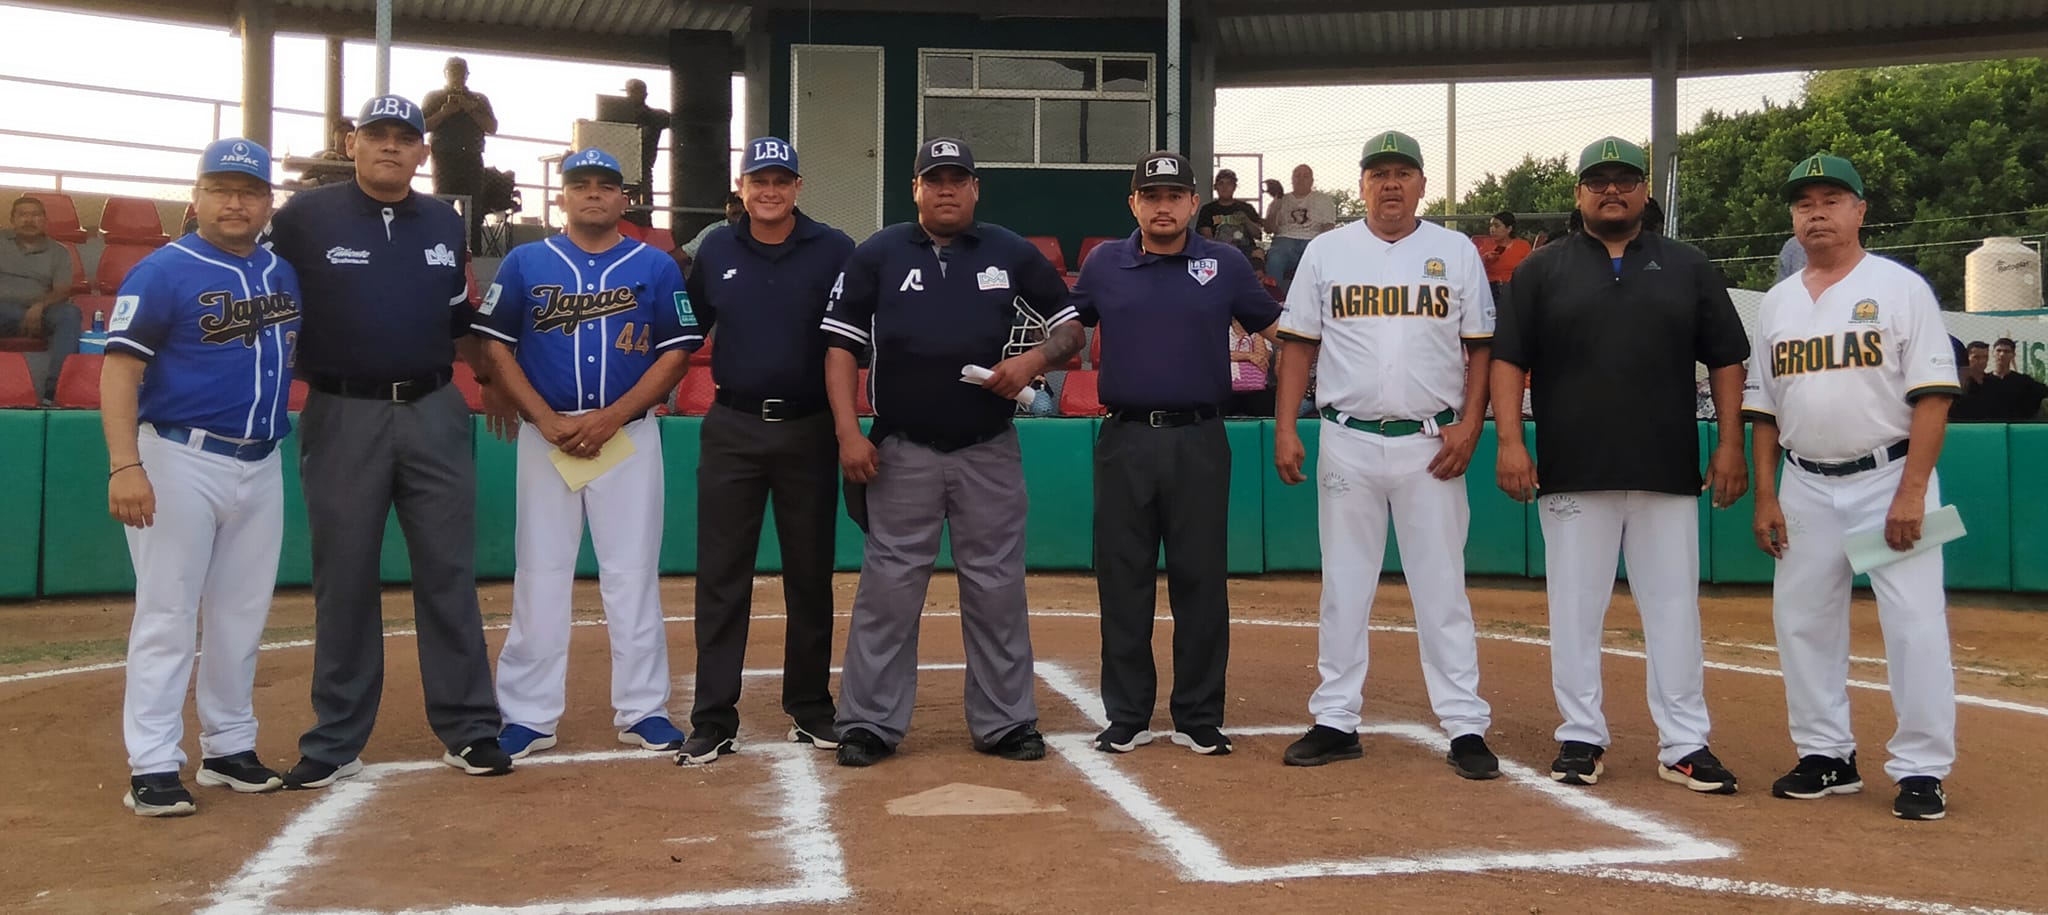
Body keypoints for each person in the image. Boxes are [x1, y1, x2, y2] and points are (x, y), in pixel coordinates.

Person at [267, 94, 514, 788]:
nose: (390, 147)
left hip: (435, 407)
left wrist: (490, 379)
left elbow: (459, 315)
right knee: (343, 577)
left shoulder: (441, 219)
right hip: (343, 410)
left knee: (448, 572)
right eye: (377, 135)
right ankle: (336, 737)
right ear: (352, 143)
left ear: (422, 153)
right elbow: (262, 296)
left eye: (404, 139)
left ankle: (469, 727)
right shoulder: (304, 216)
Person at [1491, 136, 1751, 794]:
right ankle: (1581, 735)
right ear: (1578, 194)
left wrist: (1729, 443)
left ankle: (1685, 742)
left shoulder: (1688, 265)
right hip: (1573, 468)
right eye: (1598, 180)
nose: (1612, 190)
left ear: (1644, 191)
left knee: (1673, 609)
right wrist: (1511, 442)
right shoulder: (1541, 271)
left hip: (1666, 468)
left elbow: (1725, 358)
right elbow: (1508, 361)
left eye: (1625, 179)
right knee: (1575, 608)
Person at [819, 137, 1081, 767]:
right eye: (933, 179)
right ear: (915, 188)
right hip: (901, 448)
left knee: (995, 587)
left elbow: (1071, 327)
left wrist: (1032, 360)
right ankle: (869, 723)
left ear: (975, 188)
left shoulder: (1008, 250)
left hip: (987, 446)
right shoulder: (878, 252)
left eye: (958, 179)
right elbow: (838, 350)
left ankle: (1006, 721)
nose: (946, 189)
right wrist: (848, 433)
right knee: (888, 588)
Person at [1273, 131, 1501, 779]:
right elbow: (1296, 346)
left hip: (1431, 442)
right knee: (1344, 586)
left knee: (1442, 589)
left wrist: (1471, 424)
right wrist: (1287, 426)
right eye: (1380, 174)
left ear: (1423, 184)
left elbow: (1480, 346)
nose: (1392, 184)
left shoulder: (1455, 251)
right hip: (1346, 437)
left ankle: (1464, 724)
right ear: (1362, 184)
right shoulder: (1326, 250)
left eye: (1403, 173)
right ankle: (1336, 718)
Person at [1744, 153, 1961, 821]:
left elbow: (1932, 398)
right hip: (1805, 482)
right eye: (1804, 201)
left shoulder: (1899, 288)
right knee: (1802, 622)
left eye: (1832, 198)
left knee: (1914, 624)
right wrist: (1766, 492)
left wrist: (1912, 491)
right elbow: (1763, 411)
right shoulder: (1777, 303)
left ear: (1860, 210)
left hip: (1888, 475)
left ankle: (1922, 766)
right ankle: (1826, 754)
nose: (1817, 211)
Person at [473, 148, 699, 761]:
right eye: (581, 185)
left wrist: (614, 416)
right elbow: (494, 347)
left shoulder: (654, 265)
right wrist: (543, 418)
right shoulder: (525, 261)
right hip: (546, 435)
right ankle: (528, 715)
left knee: (632, 575)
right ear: (563, 197)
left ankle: (644, 709)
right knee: (540, 574)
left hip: (627, 435)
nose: (593, 194)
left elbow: (675, 353)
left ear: (624, 198)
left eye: (605, 186)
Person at [101, 139, 301, 816]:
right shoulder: (164, 271)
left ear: (268, 202)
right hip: (179, 455)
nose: (235, 201)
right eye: (220, 188)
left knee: (241, 615)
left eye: (248, 190)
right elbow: (119, 370)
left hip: (261, 458)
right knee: (167, 612)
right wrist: (125, 462)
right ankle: (153, 763)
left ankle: (228, 747)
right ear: (197, 198)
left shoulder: (280, 273)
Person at [1072, 151, 1281, 757]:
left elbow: (1277, 331)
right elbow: (1068, 327)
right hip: (1125, 437)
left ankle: (1198, 715)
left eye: (1175, 195)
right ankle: (1128, 714)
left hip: (1199, 438)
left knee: (1200, 578)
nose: (1163, 206)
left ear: (1196, 203)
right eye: (1151, 195)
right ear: (1133, 203)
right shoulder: (1105, 262)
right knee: (1123, 578)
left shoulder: (1226, 262)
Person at [673, 138, 856, 765]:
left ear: (798, 187)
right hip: (733, 426)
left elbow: (858, 337)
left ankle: (810, 707)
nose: (770, 191)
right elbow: (686, 328)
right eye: (759, 180)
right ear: (741, 187)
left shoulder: (834, 248)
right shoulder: (717, 247)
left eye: (782, 180)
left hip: (808, 428)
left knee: (810, 574)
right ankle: (713, 717)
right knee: (722, 577)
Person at [0, 196, 81, 403]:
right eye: (23, 215)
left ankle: (53, 393)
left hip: (42, 314)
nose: (29, 220)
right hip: (3, 311)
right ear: (12, 220)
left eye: (35, 215)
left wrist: (39, 306)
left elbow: (62, 290)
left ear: (45, 220)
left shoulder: (59, 252)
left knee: (70, 314)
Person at [422, 57, 498, 254]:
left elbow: (492, 127)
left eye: (461, 72)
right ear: (446, 73)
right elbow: (421, 126)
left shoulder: (479, 99)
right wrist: (444, 113)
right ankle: (438, 251)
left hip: (472, 158)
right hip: (443, 158)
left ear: (467, 75)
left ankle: (474, 253)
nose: (457, 76)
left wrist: (471, 109)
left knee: (473, 210)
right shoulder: (434, 97)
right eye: (453, 72)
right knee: (442, 205)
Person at [1265, 164, 1338, 291]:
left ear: (1312, 181)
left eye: (1305, 176)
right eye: (1297, 176)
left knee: (1321, 258)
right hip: (1285, 239)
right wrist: (1275, 206)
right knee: (1275, 257)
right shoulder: (1282, 199)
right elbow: (1269, 229)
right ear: (1292, 179)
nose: (1301, 179)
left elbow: (1329, 226)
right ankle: (1274, 298)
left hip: (1312, 240)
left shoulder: (1323, 199)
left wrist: (1322, 245)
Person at [620, 79, 670, 205]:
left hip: (641, 166)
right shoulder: (657, 116)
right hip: (625, 165)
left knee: (644, 205)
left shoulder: (655, 116)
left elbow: (670, 119)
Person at [1195, 168, 1264, 257]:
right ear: (1215, 187)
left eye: (1229, 183)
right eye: (1221, 183)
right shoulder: (1208, 209)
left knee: (1258, 253)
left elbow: (1258, 234)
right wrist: (1226, 247)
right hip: (1218, 249)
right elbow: (1207, 237)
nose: (1225, 187)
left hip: (1245, 249)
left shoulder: (1246, 208)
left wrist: (1246, 220)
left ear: (1235, 187)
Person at [1473, 211, 1531, 303]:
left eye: (1497, 226)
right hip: (1491, 288)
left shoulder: (1522, 246)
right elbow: (1473, 269)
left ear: (1509, 229)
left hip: (1514, 288)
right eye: (1491, 226)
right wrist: (1484, 259)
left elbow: (1530, 269)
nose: (1492, 229)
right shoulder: (1485, 245)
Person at [1224, 319, 1276, 418]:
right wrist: (1248, 356)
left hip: (1256, 388)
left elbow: (1262, 359)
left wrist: (1257, 329)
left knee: (1264, 399)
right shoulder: (1223, 332)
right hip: (1227, 387)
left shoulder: (1260, 333)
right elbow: (1220, 356)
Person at [1990, 337, 2047, 419]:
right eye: (1998, 350)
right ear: (1993, 353)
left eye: (2007, 351)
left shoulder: (2024, 381)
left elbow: (2043, 392)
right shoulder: (1984, 381)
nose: (2002, 354)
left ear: (2013, 355)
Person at [680, 194, 744, 258]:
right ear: (726, 209)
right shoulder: (713, 230)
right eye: (731, 205)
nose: (736, 208)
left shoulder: (752, 231)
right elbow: (686, 253)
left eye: (742, 205)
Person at [1949, 341, 1999, 422]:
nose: (1982, 361)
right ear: (1967, 358)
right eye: (1976, 357)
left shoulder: (1994, 382)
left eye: (1985, 357)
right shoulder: (1960, 384)